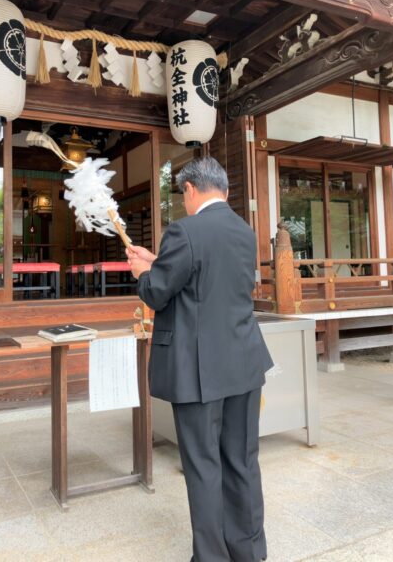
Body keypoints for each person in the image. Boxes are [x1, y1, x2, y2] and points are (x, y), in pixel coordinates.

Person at [126, 155, 273, 562]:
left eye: (183, 194)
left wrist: (143, 273)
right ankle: (249, 552)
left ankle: (211, 557)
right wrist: (156, 263)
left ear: (190, 189)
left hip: (199, 369)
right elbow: (204, 278)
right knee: (242, 461)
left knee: (204, 466)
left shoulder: (184, 231)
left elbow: (158, 293)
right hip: (243, 362)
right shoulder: (245, 232)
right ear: (224, 189)